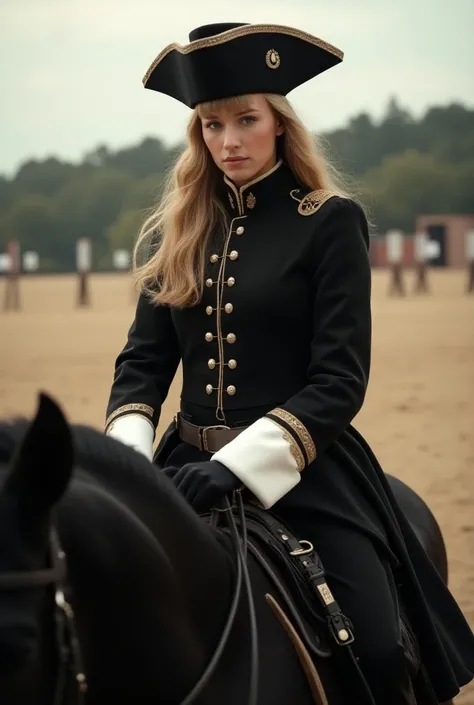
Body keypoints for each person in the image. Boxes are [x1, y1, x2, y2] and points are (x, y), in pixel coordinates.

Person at [104, 22, 474, 704]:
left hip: (308, 469)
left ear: (279, 123)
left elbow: (339, 380)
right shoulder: (174, 228)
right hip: (181, 470)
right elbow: (141, 366)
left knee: (384, 649)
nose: (229, 141)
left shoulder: (329, 220)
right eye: (212, 125)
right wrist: (129, 467)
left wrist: (234, 468)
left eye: (246, 120)